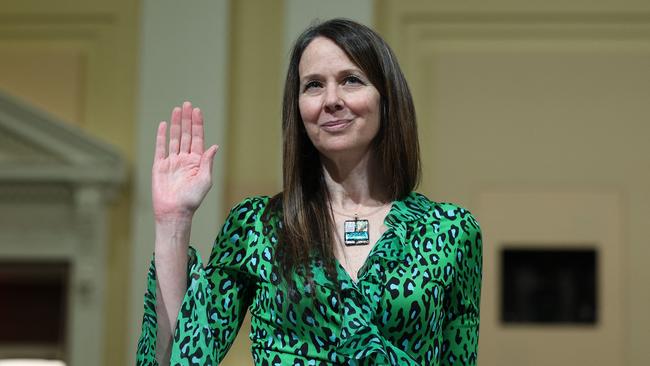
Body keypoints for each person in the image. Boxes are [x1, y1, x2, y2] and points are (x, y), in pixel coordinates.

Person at [136, 18, 482, 366]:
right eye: (314, 85)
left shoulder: (450, 231)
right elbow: (183, 354)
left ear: (386, 97)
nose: (331, 99)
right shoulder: (257, 227)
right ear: (299, 109)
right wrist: (173, 223)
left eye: (351, 80)